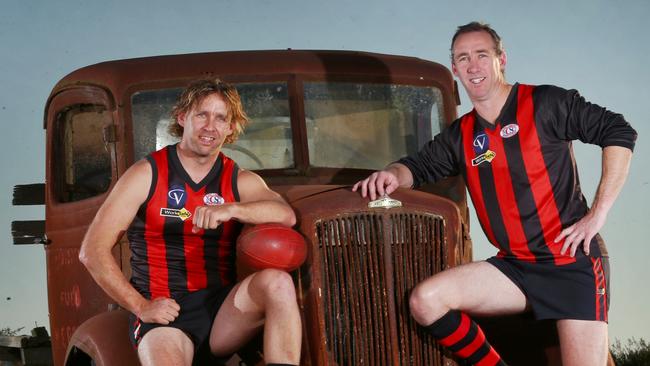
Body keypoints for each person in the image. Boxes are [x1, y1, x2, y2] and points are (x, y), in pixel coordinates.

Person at [353, 22, 636, 366]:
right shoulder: (460, 135)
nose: (473, 65)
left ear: (501, 59)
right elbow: (416, 168)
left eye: (482, 55)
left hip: (572, 264)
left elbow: (618, 131)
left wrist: (598, 212)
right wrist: (390, 173)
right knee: (426, 300)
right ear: (455, 69)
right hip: (515, 267)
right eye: (463, 58)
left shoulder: (545, 102)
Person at [79, 79, 302, 366]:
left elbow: (285, 214)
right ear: (182, 118)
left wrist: (231, 209)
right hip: (165, 312)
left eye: (221, 118)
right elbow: (92, 251)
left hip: (222, 311)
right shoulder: (146, 174)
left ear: (231, 128)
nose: (211, 127)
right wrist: (142, 307)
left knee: (278, 283)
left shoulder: (239, 179)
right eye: (202, 115)